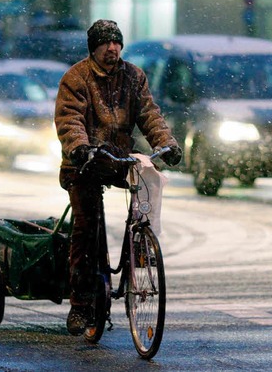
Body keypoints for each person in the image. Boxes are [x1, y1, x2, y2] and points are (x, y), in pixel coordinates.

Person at [54, 19, 182, 336]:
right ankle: (81, 306)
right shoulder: (76, 78)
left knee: (149, 185)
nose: (112, 48)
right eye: (105, 43)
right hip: (84, 163)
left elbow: (149, 114)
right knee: (88, 228)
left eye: (116, 43)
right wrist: (79, 147)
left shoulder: (133, 76)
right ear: (93, 48)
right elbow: (69, 119)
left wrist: (166, 144)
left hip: (117, 159)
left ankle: (142, 245)